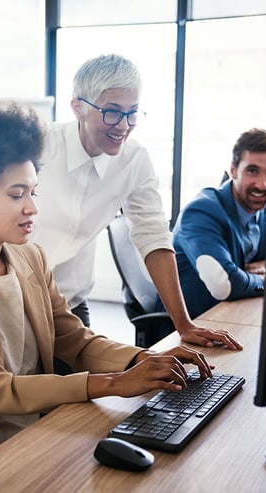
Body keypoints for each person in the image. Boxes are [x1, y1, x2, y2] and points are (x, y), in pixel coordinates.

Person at [0, 102, 214, 492]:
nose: (33, 207)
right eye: (17, 194)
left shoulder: (30, 258)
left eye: (34, 192)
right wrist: (114, 383)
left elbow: (74, 339)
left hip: (41, 430)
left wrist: (147, 360)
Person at [30, 54, 241, 350]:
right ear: (78, 107)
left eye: (133, 113)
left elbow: (153, 236)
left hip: (68, 305)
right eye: (112, 112)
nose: (124, 126)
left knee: (86, 391)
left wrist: (183, 325)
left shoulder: (134, 160)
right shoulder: (38, 145)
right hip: (12, 301)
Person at [169, 128, 266, 319]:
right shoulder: (201, 211)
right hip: (195, 325)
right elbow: (223, 285)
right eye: (252, 171)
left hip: (236, 314)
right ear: (233, 170)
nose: (262, 185)